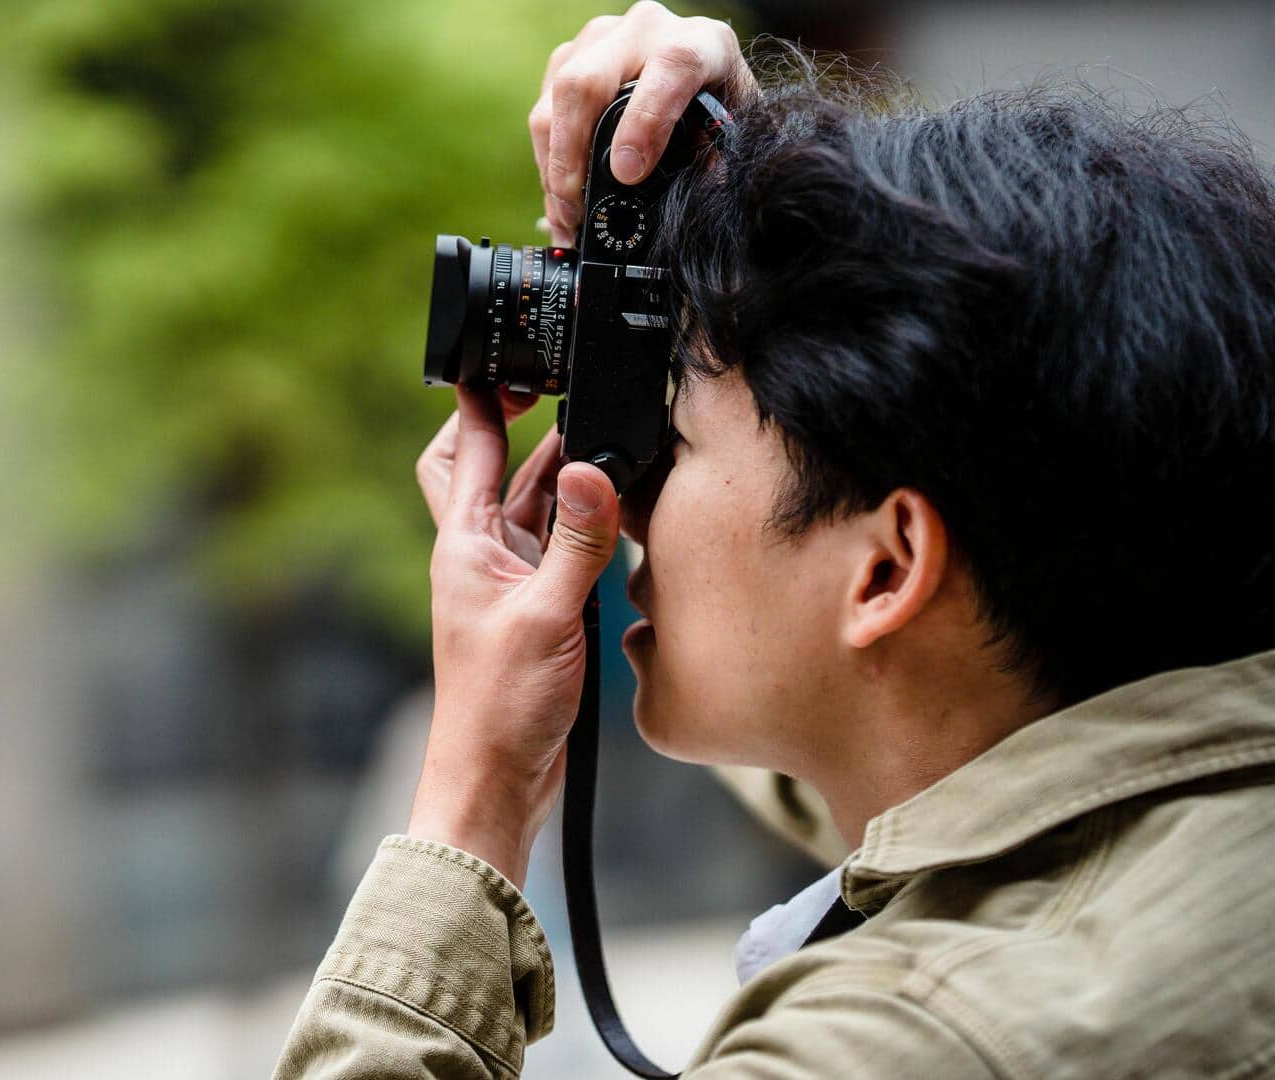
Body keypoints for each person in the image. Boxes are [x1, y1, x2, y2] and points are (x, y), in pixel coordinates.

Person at [273, 2, 1275, 1077]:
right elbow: (880, 710)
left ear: (888, 567)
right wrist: (745, 185)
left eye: (683, 436)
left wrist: (474, 791)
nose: (634, 500)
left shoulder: (899, 1043)